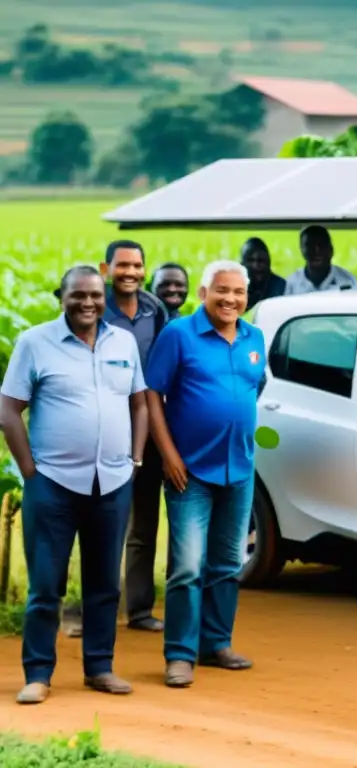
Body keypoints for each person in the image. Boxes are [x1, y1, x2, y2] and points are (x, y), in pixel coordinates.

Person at [0, 265, 148, 705]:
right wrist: (30, 470)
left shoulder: (122, 342)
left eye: (96, 296)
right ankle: (38, 674)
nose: (88, 303)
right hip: (53, 484)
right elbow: (8, 410)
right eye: (78, 295)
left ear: (105, 299)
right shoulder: (35, 343)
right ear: (59, 296)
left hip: (113, 481)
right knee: (47, 584)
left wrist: (136, 459)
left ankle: (99, 667)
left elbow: (140, 403)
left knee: (105, 583)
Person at [144, 260, 266, 688]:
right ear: (202, 293)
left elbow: (254, 387)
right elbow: (152, 394)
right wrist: (169, 455)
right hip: (188, 471)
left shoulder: (255, 338)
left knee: (228, 562)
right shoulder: (178, 335)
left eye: (238, 292)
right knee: (188, 566)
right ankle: (179, 654)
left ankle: (217, 643)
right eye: (221, 291)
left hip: (240, 469)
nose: (230, 299)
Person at [100, 241, 170, 634]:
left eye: (137, 265)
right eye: (123, 265)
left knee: (144, 524)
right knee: (105, 521)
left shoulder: (153, 309)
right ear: (106, 267)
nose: (130, 272)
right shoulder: (94, 306)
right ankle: (99, 607)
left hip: (148, 425)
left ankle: (139, 609)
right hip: (107, 429)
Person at [284, 225, 357, 295]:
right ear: (302, 250)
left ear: (331, 250)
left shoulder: (347, 281)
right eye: (310, 245)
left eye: (321, 245)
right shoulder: (293, 283)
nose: (316, 251)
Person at [240, 238, 287, 306]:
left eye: (260, 260)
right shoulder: (235, 287)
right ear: (242, 264)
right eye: (251, 260)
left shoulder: (280, 286)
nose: (256, 265)